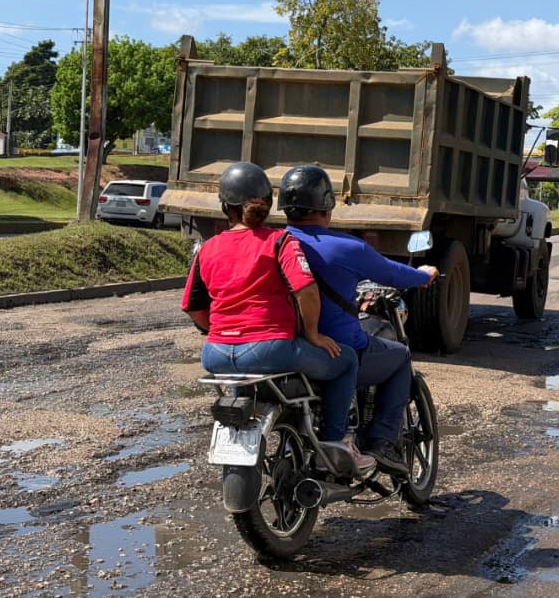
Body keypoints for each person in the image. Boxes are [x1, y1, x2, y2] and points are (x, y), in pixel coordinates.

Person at [183, 161, 373, 469]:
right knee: (347, 360)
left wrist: (221, 332)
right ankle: (334, 444)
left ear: (225, 206)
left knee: (247, 375)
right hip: (270, 349)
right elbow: (306, 290)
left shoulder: (207, 248)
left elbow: (194, 307)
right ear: (268, 204)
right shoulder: (279, 241)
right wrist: (313, 334)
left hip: (215, 355)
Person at [279, 165, 437, 477]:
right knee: (400, 357)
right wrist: (424, 275)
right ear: (327, 207)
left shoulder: (274, 242)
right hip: (337, 348)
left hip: (289, 347)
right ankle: (382, 442)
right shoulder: (348, 247)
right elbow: (393, 273)